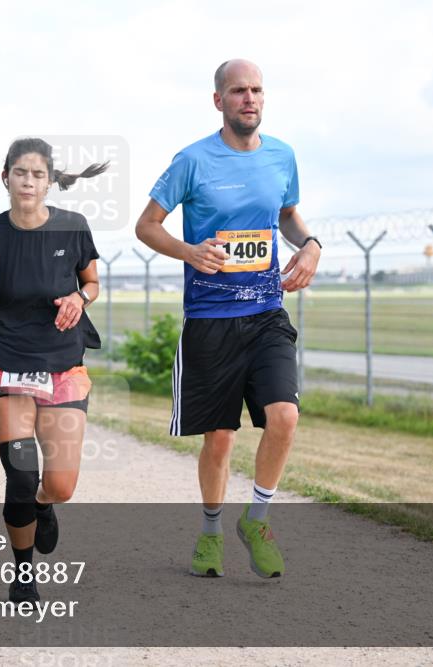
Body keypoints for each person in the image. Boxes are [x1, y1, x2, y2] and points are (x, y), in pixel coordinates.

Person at [135, 59, 321, 580]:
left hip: (265, 313)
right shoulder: (192, 160)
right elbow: (146, 226)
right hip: (211, 318)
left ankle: (256, 520)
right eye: (239, 91)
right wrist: (188, 252)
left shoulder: (283, 155)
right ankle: (212, 531)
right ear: (219, 100)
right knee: (220, 438)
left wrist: (310, 244)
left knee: (284, 416)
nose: (250, 99)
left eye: (257, 90)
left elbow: (286, 214)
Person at [0, 137, 107, 604]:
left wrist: (78, 299)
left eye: (38, 174)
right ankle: (23, 572)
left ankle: (43, 507)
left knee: (57, 486)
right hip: (6, 369)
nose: (28, 181)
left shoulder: (73, 227)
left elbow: (93, 281)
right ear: (6, 177)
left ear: (49, 181)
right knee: (22, 474)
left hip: (62, 366)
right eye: (20, 172)